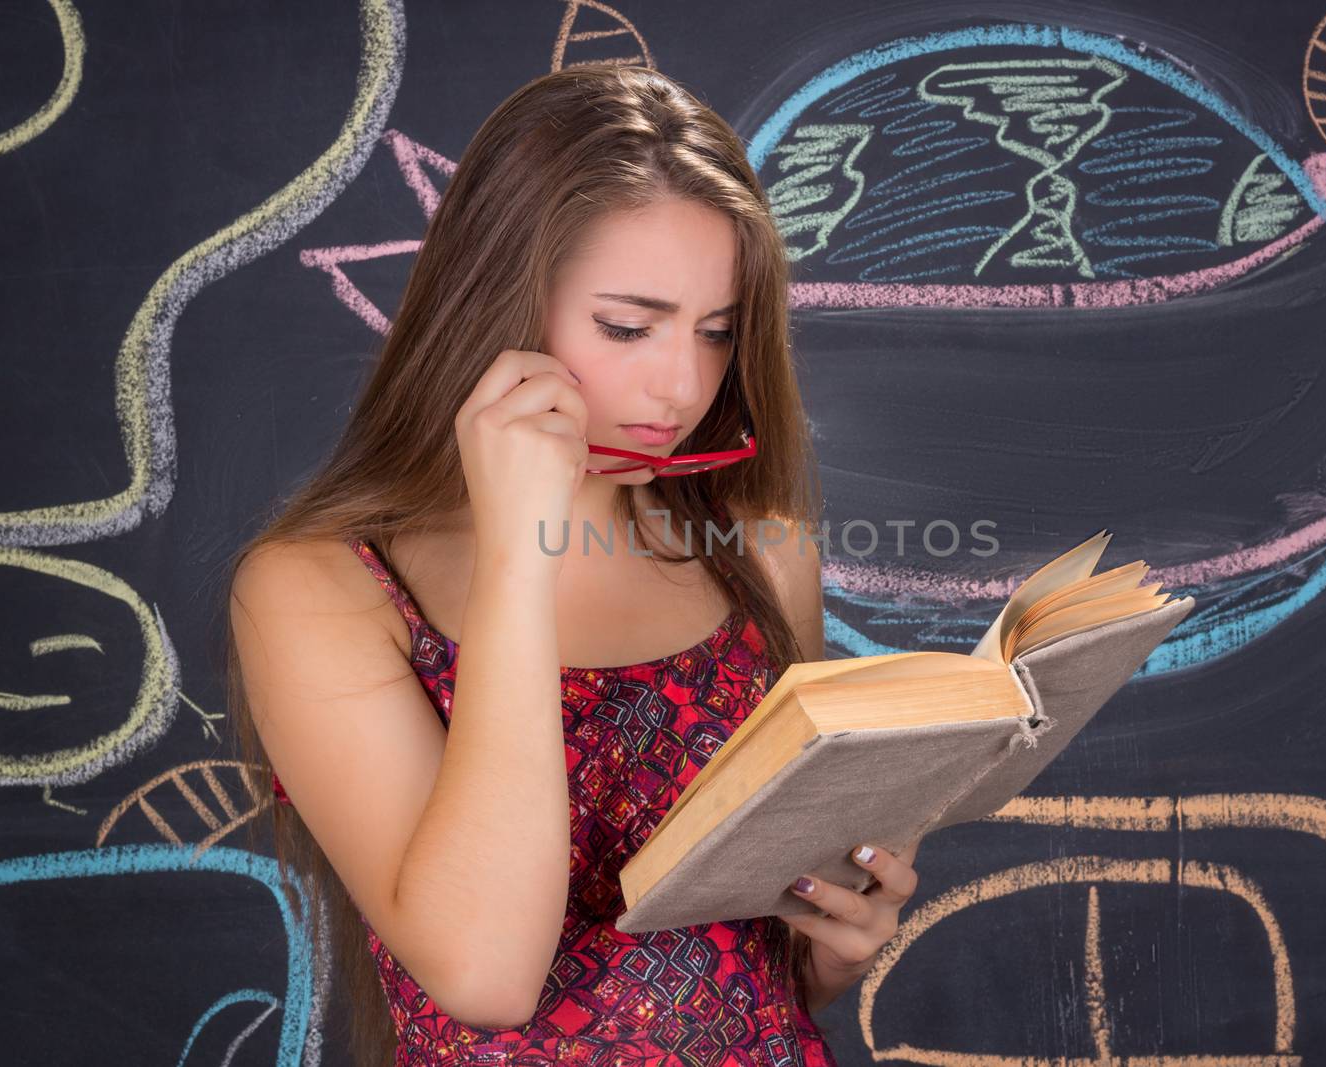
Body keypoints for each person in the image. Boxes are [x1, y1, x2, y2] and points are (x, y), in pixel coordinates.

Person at [222, 64, 920, 1067]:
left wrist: (835, 947)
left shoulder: (762, 555)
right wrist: (518, 554)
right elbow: (485, 971)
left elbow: (750, 971)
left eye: (717, 332)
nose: (681, 383)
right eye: (627, 326)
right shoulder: (316, 589)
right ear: (497, 303)